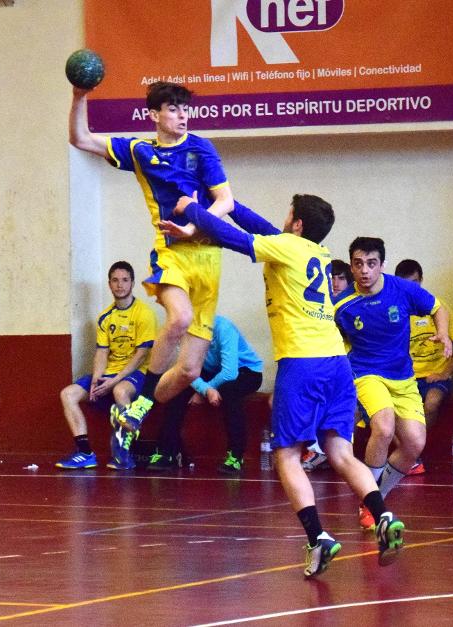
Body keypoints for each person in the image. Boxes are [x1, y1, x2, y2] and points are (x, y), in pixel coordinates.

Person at [160, 195, 405, 578]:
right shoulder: (317, 253)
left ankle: (318, 538)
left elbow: (233, 237)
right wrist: (225, 199)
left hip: (302, 363)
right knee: (340, 452)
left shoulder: (286, 246)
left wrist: (189, 209)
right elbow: (256, 224)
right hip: (338, 365)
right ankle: (383, 514)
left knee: (286, 456)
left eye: (289, 213)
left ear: (298, 223)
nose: (284, 217)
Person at [69, 81, 234, 436]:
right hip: (171, 252)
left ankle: (139, 407)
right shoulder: (140, 151)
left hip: (208, 257)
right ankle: (141, 402)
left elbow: (226, 202)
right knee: (178, 319)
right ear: (154, 115)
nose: (182, 115)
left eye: (184, 109)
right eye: (173, 109)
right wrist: (79, 95)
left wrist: (195, 227)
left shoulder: (202, 149)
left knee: (189, 371)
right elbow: (81, 138)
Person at [334, 238, 452, 530]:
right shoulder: (342, 305)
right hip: (365, 372)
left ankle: (373, 501)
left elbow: (439, 308)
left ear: (382, 265)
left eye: (371, 263)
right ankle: (372, 500)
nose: (365, 270)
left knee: (414, 443)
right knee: (384, 427)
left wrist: (444, 334)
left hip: (402, 376)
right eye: (358, 264)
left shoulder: (403, 289)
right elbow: (327, 340)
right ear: (352, 266)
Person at [56, 261, 158, 470]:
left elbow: (141, 355)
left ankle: (123, 455)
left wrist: (114, 381)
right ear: (109, 284)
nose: (120, 285)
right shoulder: (105, 316)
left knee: (121, 391)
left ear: (132, 284)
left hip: (136, 373)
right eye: (115, 280)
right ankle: (84, 453)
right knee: (68, 394)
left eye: (125, 280)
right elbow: (102, 352)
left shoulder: (144, 313)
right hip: (109, 373)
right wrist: (96, 379)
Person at [147, 315, 263, 474]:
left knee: (229, 392)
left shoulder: (224, 328)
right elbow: (185, 370)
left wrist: (205, 391)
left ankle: (236, 456)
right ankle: (167, 453)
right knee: (176, 389)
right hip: (211, 371)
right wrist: (206, 390)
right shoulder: (185, 328)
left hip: (245, 371)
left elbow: (229, 373)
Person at [395, 259, 453, 474]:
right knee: (383, 410)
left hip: (435, 378)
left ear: (421, 281)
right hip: (405, 379)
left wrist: (445, 372)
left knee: (431, 403)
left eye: (415, 283)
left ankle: (410, 451)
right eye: (406, 285)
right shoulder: (395, 312)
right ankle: (410, 456)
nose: (411, 289)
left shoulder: (437, 307)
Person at [301, 258, 354, 472]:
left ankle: (336, 454)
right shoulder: (317, 305)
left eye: (341, 278)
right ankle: (316, 450)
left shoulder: (350, 304)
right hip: (319, 362)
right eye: (332, 278)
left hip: (348, 365)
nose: (336, 282)